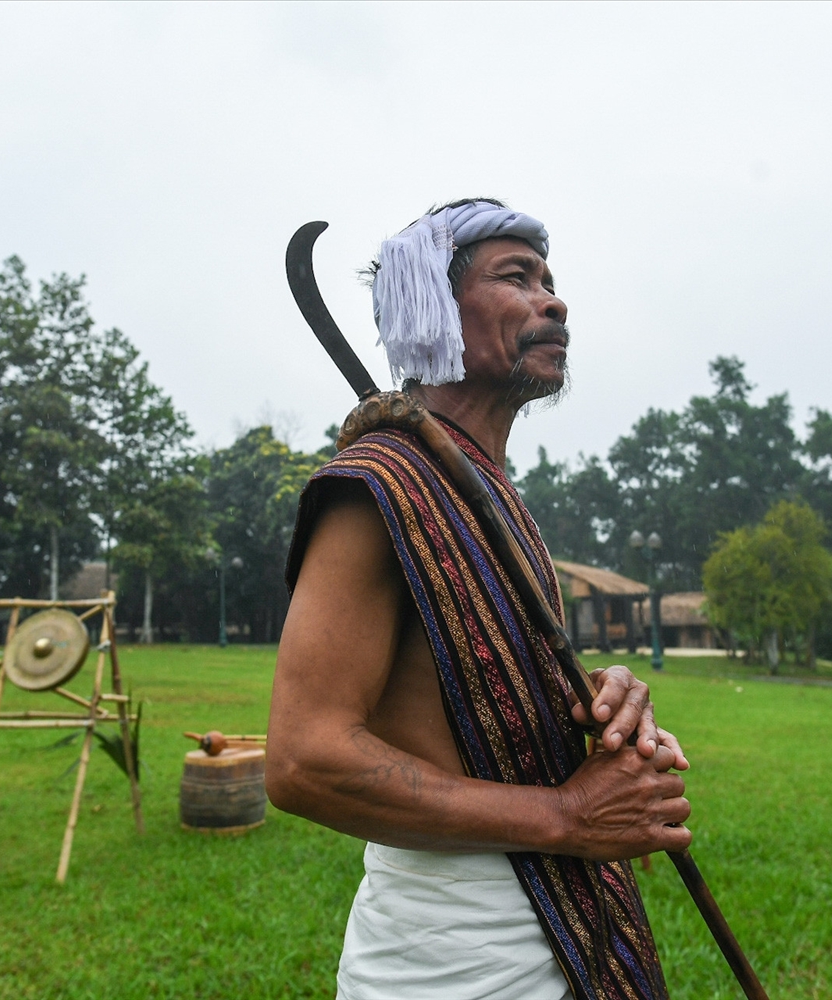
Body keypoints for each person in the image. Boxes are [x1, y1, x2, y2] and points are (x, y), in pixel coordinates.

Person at [268, 199, 691, 1000]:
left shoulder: (496, 499)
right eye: (517, 277)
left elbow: (478, 687)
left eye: (552, 281)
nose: (554, 300)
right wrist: (568, 816)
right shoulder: (379, 487)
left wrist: (597, 700)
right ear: (434, 305)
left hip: (563, 935)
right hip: (450, 966)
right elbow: (302, 761)